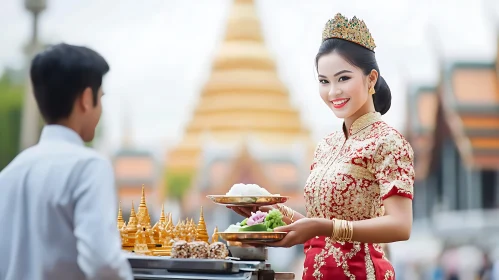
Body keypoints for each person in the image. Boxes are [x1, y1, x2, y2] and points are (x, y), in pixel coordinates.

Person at [229, 13, 414, 279]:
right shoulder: (326, 145)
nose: (333, 92)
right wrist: (269, 211)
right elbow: (316, 222)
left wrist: (321, 226)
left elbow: (400, 225)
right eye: (324, 81)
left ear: (371, 79)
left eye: (343, 78)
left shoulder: (388, 142)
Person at [0, 43, 133, 280]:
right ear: (85, 99)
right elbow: (103, 263)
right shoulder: (89, 167)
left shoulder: (9, 174)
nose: (100, 108)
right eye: (100, 98)